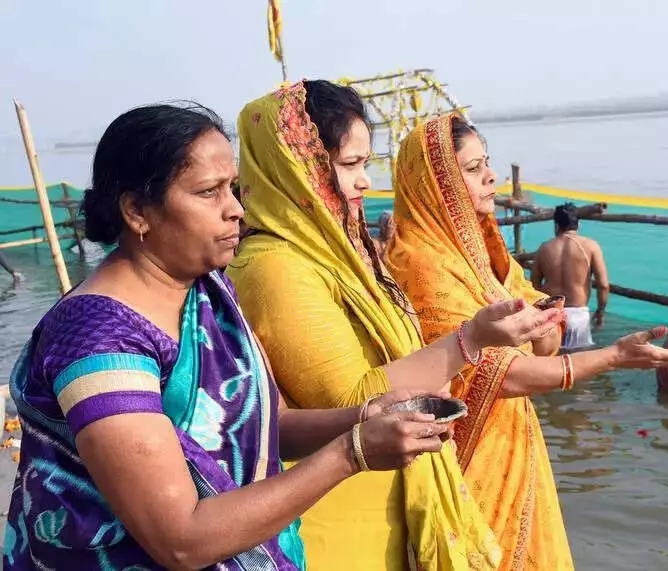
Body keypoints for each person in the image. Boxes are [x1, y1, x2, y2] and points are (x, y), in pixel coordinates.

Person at [3, 103, 457, 570]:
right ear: (137, 210)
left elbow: (267, 426)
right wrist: (353, 451)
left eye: (233, 189)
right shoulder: (99, 341)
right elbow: (181, 539)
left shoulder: (209, 290)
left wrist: (363, 416)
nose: (235, 209)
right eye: (208, 192)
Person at [226, 80, 557, 570]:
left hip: (395, 501)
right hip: (347, 532)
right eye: (349, 166)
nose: (364, 183)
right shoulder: (275, 267)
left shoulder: (344, 258)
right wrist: (473, 339)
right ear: (296, 169)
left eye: (366, 165)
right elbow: (353, 401)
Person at [386, 113, 668, 570]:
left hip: (514, 438)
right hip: (469, 453)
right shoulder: (422, 264)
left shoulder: (487, 259)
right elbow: (502, 373)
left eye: (486, 164)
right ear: (439, 186)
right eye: (473, 170)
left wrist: (539, 330)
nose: (491, 176)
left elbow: (546, 341)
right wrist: (612, 356)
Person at [532, 202, 609, 350]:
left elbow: (535, 285)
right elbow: (603, 285)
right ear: (578, 224)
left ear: (556, 225)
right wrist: (601, 311)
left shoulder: (544, 248)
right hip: (578, 315)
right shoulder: (591, 246)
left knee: (552, 364)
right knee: (578, 365)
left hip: (551, 313)